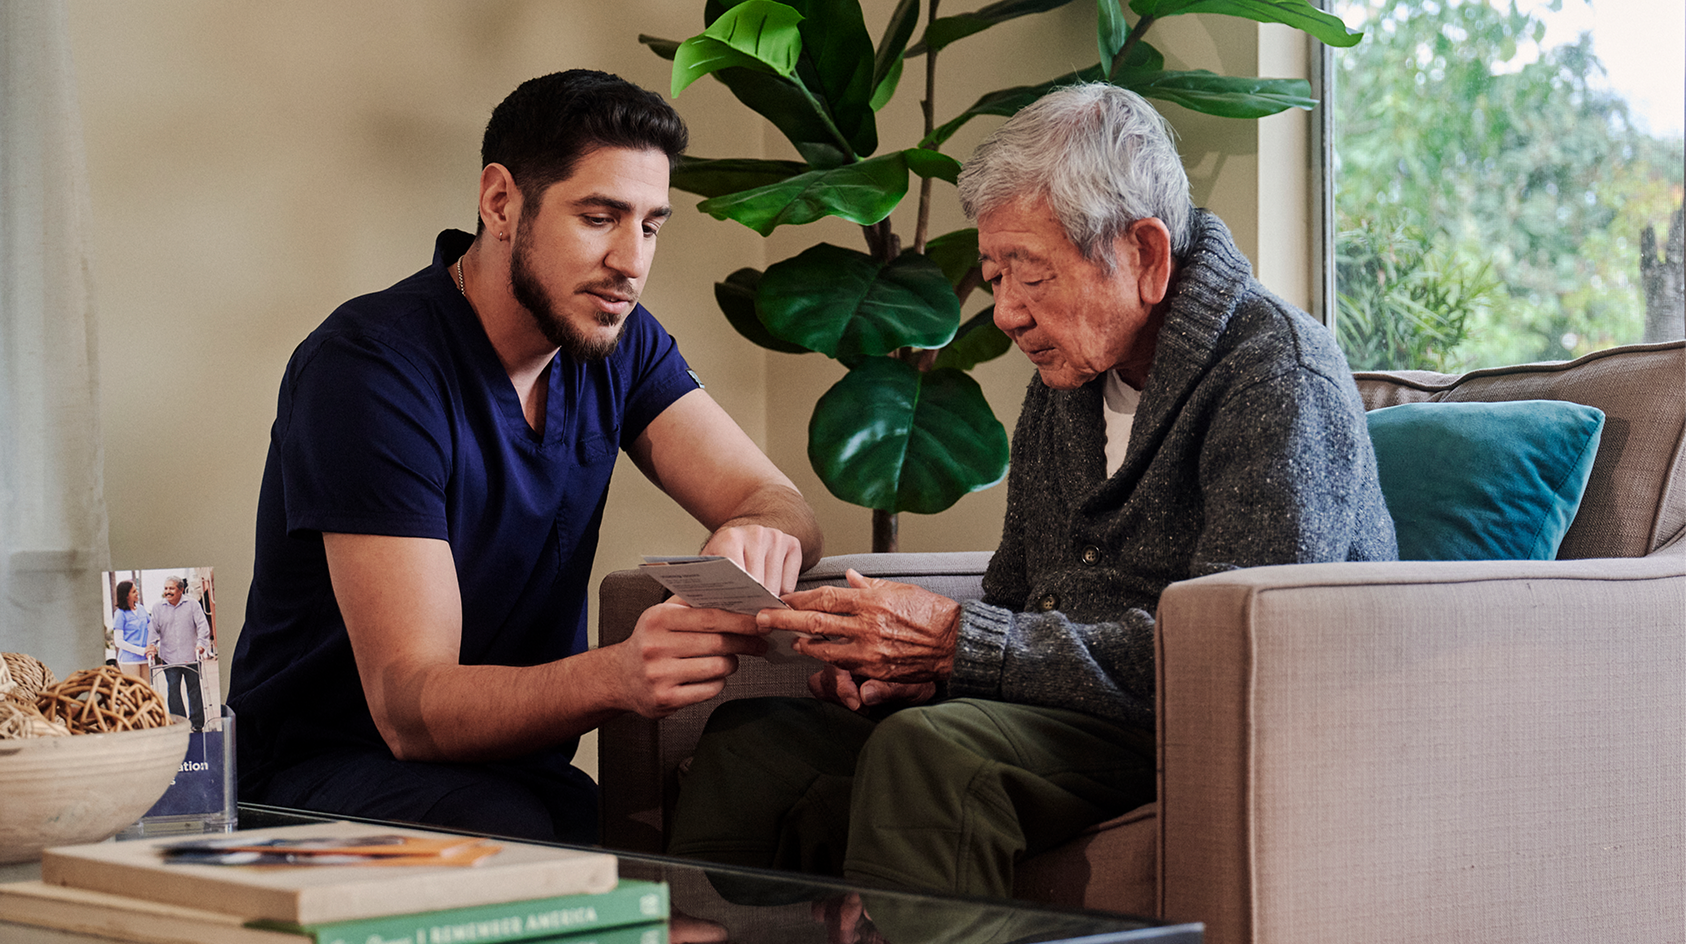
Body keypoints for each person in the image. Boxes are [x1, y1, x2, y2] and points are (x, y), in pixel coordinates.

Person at [666, 83, 1398, 896]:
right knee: (750, 745)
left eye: (1032, 276)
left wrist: (964, 647)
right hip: (1064, 709)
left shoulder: (1275, 377)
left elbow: (1234, 655)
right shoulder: (1066, 382)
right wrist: (917, 670)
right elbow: (1015, 597)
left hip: (1193, 723)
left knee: (931, 758)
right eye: (993, 275)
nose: (1006, 313)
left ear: (1146, 255)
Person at [226, 70, 822, 845]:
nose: (630, 260)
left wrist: (758, 529)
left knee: (707, 833)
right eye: (600, 217)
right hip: (320, 779)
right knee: (525, 837)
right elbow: (409, 710)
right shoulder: (369, 369)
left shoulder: (618, 340)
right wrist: (620, 674)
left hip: (511, 774)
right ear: (501, 202)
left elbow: (781, 501)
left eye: (650, 226)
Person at [147, 575, 212, 731]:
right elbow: (153, 630)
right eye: (166, 588)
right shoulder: (157, 608)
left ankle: (197, 724)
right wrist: (151, 646)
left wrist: (201, 645)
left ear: (181, 590)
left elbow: (203, 626)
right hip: (169, 657)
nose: (167, 592)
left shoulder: (192, 605)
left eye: (171, 588)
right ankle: (179, 723)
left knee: (194, 689)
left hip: (190, 656)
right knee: (173, 689)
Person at [111, 580, 150, 680]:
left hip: (145, 658)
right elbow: (119, 642)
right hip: (129, 660)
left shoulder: (141, 609)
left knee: (146, 692)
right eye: (133, 591)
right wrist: (141, 650)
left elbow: (151, 629)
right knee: (133, 692)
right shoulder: (120, 613)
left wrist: (152, 647)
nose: (137, 593)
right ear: (126, 595)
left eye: (136, 590)